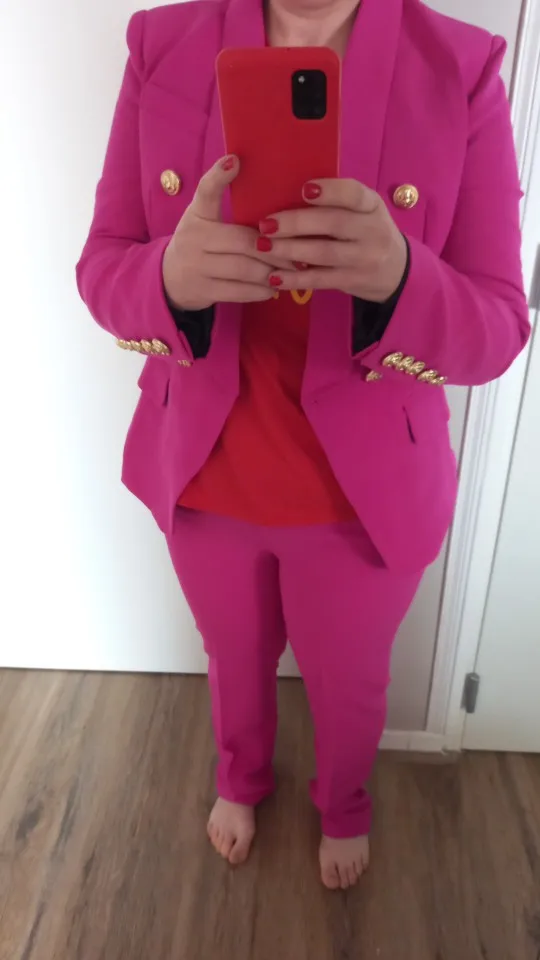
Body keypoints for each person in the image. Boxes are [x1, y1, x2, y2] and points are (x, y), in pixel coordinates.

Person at [76, 0, 530, 889]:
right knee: (231, 656)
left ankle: (344, 804)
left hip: (365, 489)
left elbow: (500, 326)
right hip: (205, 465)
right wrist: (167, 277)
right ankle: (239, 778)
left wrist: (402, 277)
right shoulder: (161, 44)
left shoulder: (461, 67)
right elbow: (102, 266)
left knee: (350, 681)